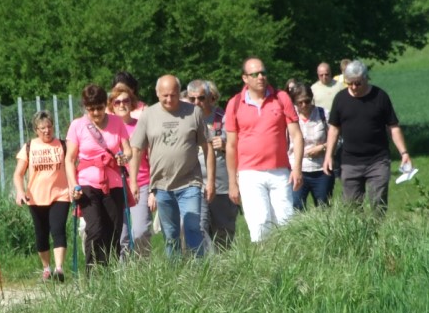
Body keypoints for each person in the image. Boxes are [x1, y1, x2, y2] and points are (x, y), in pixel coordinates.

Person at [129, 75, 214, 258]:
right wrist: (133, 182)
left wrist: (211, 182)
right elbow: (136, 150)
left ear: (179, 93)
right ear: (157, 93)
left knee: (192, 226)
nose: (169, 99)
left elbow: (207, 148)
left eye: (173, 95)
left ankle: (199, 270)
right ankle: (174, 273)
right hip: (161, 185)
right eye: (165, 95)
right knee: (171, 233)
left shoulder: (194, 113)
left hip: (190, 182)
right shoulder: (148, 115)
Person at [225, 57, 304, 242]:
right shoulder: (235, 103)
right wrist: (232, 182)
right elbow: (230, 145)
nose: (260, 77)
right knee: (259, 223)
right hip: (249, 173)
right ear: (245, 78)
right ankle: (263, 267)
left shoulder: (281, 98)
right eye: (255, 74)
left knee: (285, 222)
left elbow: (297, 136)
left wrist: (297, 168)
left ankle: (288, 265)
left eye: (263, 73)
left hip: (280, 171)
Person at [322, 60, 412, 211]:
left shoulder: (380, 96)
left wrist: (404, 152)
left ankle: (378, 232)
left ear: (366, 78)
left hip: (378, 160)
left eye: (358, 83)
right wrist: (329, 155)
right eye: (349, 83)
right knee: (351, 207)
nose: (354, 87)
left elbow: (393, 127)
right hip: (350, 161)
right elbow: (334, 129)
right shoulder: (340, 99)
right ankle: (356, 234)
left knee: (378, 204)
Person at [65, 84, 133, 271]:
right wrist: (73, 185)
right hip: (87, 184)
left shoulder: (117, 123)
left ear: (106, 104)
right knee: (95, 230)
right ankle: (93, 273)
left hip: (114, 184)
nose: (96, 112)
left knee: (114, 232)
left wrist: (124, 157)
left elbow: (128, 151)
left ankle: (109, 273)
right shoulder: (77, 126)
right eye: (91, 109)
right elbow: (69, 159)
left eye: (100, 107)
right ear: (86, 107)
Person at [13, 110, 70, 282]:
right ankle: (47, 268)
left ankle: (59, 269)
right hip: (36, 197)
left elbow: (73, 166)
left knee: (58, 229)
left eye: (49, 127)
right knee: (41, 233)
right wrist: (20, 191)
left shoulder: (63, 145)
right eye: (42, 128)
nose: (47, 131)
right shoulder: (29, 147)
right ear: (36, 130)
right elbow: (18, 174)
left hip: (60, 194)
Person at [186, 79, 238, 250]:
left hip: (221, 183)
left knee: (223, 230)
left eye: (201, 98)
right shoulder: (185, 119)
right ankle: (206, 265)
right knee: (199, 227)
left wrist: (224, 145)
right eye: (192, 99)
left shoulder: (223, 118)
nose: (196, 103)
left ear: (210, 98)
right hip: (195, 182)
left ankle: (225, 265)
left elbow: (240, 144)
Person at [109, 83, 152, 258]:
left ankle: (143, 269)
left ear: (132, 102)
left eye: (125, 100)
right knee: (122, 236)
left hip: (141, 183)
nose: (121, 105)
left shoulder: (142, 126)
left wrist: (153, 190)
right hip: (117, 186)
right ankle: (125, 275)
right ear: (111, 105)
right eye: (117, 102)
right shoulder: (108, 127)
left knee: (140, 231)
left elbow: (152, 157)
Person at [288, 83, 334, 209]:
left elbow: (338, 139)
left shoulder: (324, 114)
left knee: (324, 207)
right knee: (296, 207)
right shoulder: (289, 117)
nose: (304, 105)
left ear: (311, 98)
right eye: (299, 102)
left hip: (321, 170)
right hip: (297, 169)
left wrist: (323, 147)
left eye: (307, 101)